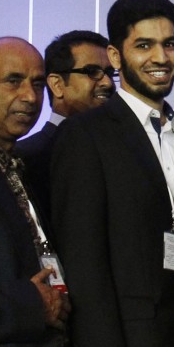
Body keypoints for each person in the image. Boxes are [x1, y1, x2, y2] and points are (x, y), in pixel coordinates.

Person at [52, 0, 174, 347]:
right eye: (144, 45)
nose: (161, 56)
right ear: (116, 57)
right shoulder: (86, 136)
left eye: (169, 43)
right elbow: (82, 259)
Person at [0, 36, 71, 347]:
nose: (29, 96)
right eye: (13, 81)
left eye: (37, 83)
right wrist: (28, 306)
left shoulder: (20, 165)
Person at [17, 30, 115, 216]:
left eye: (110, 73)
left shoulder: (120, 152)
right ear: (57, 85)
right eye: (92, 72)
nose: (108, 83)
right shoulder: (25, 159)